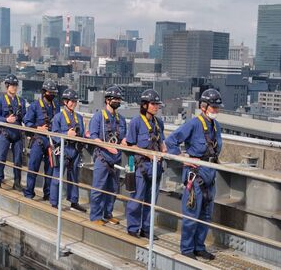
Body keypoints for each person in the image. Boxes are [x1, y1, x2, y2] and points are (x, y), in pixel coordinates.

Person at [165, 88, 223, 260]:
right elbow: (171, 140)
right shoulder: (194, 124)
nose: (216, 111)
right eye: (213, 107)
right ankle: (187, 248)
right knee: (191, 214)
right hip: (196, 175)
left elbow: (214, 149)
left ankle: (199, 246)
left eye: (217, 108)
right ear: (203, 106)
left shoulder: (216, 126)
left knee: (205, 215)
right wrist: (182, 158)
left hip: (210, 175)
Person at [125, 89, 166, 239]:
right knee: (137, 199)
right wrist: (146, 153)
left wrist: (163, 149)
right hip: (142, 166)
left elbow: (161, 141)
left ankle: (146, 229)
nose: (156, 107)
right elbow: (130, 145)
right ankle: (133, 228)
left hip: (156, 167)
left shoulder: (158, 123)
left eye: (157, 104)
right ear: (145, 105)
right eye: (153, 104)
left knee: (151, 201)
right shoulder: (136, 122)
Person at [89, 85, 127, 225]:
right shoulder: (98, 117)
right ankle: (95, 216)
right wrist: (107, 147)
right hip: (102, 158)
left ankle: (108, 213)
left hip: (116, 159)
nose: (117, 101)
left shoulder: (121, 119)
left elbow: (124, 136)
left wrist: (124, 141)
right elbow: (93, 137)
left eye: (119, 99)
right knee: (98, 188)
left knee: (112, 188)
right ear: (107, 100)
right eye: (114, 99)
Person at [49, 88, 86, 212]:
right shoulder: (58, 117)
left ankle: (74, 202)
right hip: (63, 150)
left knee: (74, 177)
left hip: (75, 150)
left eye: (75, 101)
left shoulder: (79, 118)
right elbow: (54, 134)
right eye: (71, 101)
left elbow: (82, 135)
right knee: (57, 176)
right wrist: (66, 134)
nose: (73, 103)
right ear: (65, 102)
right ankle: (54, 202)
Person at [23, 80, 60, 200]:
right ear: (44, 92)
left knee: (50, 169)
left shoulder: (56, 107)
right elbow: (27, 121)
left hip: (51, 142)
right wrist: (38, 128)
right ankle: (29, 192)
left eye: (54, 93)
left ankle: (48, 194)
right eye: (50, 92)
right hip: (38, 140)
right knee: (33, 166)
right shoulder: (35, 106)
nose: (52, 95)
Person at [0, 74, 26, 191]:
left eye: (15, 85)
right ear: (7, 86)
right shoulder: (0, 101)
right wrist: (6, 120)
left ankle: (17, 183)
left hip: (17, 133)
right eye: (12, 85)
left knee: (18, 160)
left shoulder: (21, 101)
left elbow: (25, 118)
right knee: (1, 157)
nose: (14, 87)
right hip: (5, 133)